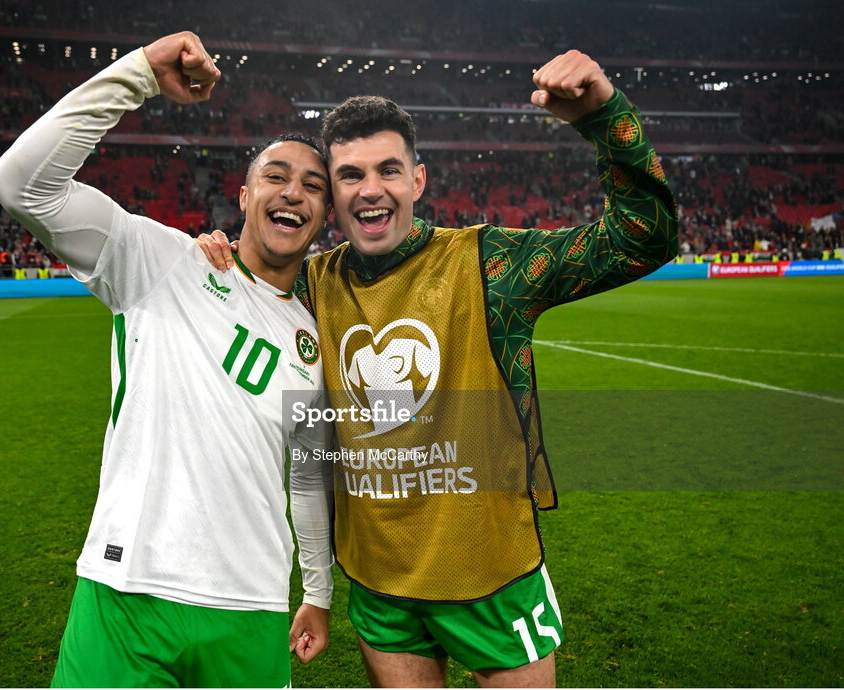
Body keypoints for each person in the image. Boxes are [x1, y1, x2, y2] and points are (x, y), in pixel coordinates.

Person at [199, 49, 678, 687]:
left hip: (491, 575)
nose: (371, 189)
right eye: (350, 175)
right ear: (334, 196)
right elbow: (242, 289)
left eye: (388, 170)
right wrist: (218, 254)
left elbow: (646, 235)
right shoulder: (312, 287)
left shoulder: (490, 264)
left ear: (418, 181)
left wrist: (604, 115)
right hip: (380, 584)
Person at [0, 31, 335, 688]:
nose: (293, 192)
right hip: (128, 591)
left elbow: (309, 475)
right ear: (243, 197)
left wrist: (317, 590)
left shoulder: (314, 336)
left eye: (312, 186)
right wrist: (140, 73)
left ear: (324, 216)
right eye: (276, 177)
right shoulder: (161, 262)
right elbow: (19, 185)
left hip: (254, 609)